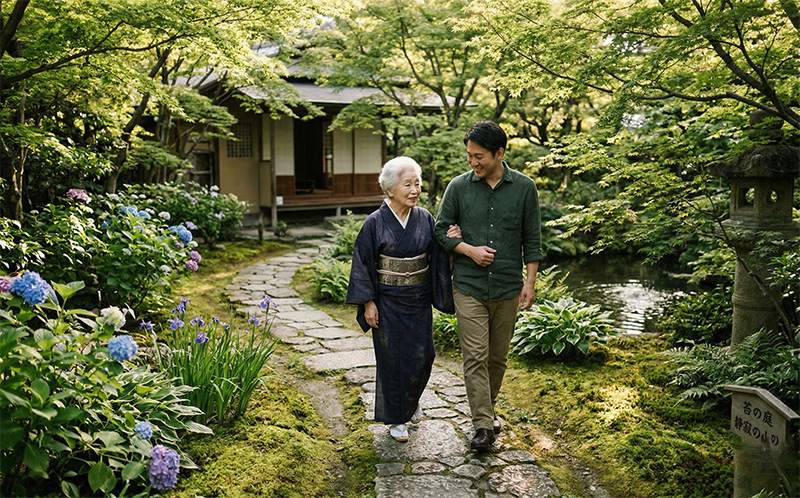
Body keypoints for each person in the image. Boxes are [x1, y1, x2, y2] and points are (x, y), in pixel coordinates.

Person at [434, 120, 542, 451]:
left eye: (479, 156)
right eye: (469, 155)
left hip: (509, 287)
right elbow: (439, 230)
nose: (473, 162)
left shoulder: (525, 188)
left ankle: (487, 410)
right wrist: (467, 249)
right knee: (475, 355)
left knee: (497, 358)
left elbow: (532, 240)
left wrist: (530, 283)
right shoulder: (458, 187)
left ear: (499, 153)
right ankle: (483, 425)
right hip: (468, 285)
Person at [346, 156, 454, 442]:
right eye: (408, 184)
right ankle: (397, 419)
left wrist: (452, 241)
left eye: (417, 184)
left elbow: (439, 254)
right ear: (390, 189)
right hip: (388, 302)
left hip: (418, 299)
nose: (414, 190)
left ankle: (411, 400)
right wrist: (368, 303)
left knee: (423, 356)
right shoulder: (375, 223)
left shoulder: (425, 218)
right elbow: (363, 262)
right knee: (393, 360)